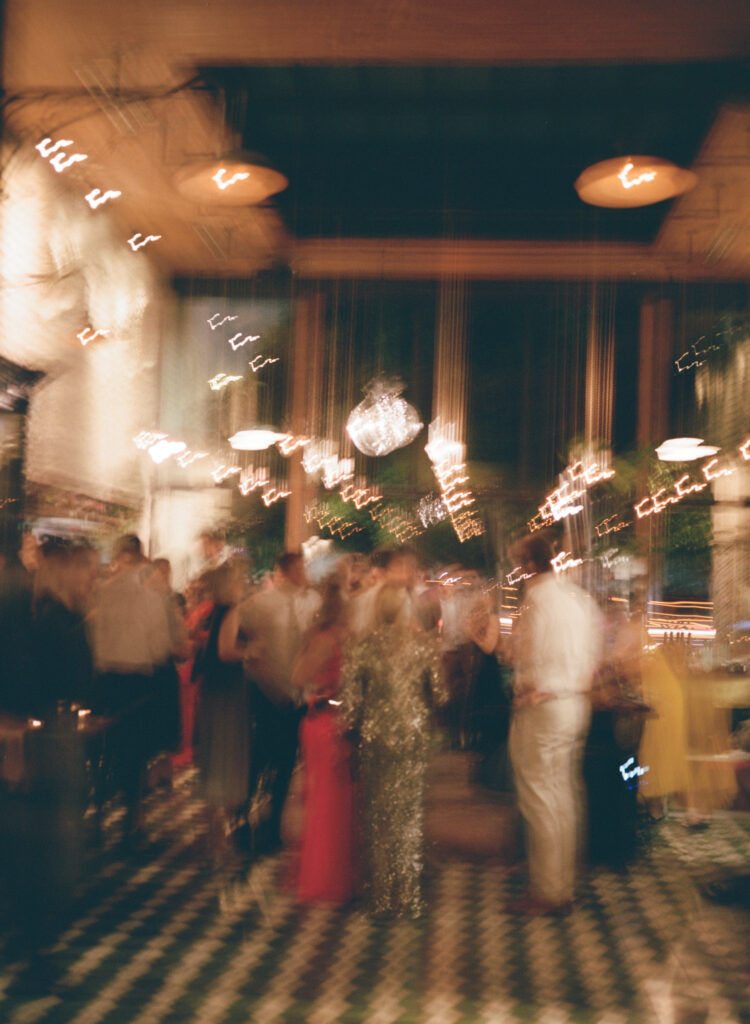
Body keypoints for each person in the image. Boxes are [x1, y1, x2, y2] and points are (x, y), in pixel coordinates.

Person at [509, 535, 602, 916]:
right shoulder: (579, 599)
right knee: (564, 795)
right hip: (576, 704)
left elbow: (529, 655)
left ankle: (547, 892)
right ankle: (561, 883)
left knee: (541, 799)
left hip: (543, 705)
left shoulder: (537, 601)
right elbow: (595, 653)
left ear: (529, 564)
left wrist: (527, 687)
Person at [340, 583, 446, 918]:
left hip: (376, 736)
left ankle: (380, 896)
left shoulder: (363, 646)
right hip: (412, 735)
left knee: (377, 815)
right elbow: (441, 694)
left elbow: (350, 706)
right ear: (406, 610)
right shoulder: (422, 646)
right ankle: (407, 897)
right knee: (408, 816)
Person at [91, 534, 171, 846]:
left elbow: (94, 638)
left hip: (105, 681)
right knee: (134, 756)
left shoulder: (102, 593)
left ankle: (97, 818)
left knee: (103, 751)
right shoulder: (150, 599)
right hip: (138, 683)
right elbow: (159, 647)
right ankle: (130, 825)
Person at [238, 551, 321, 852]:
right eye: (298, 568)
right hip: (266, 689)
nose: (303, 573)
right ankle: (243, 814)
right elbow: (239, 628)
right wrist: (252, 651)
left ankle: (273, 825)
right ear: (285, 571)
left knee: (286, 761)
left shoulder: (313, 602)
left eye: (304, 568)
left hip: (296, 691)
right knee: (259, 756)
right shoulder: (263, 602)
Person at [287, 580, 358, 903]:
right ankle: (325, 878)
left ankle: (329, 874)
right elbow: (299, 677)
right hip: (327, 724)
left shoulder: (331, 639)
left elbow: (297, 677)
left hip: (330, 721)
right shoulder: (333, 640)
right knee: (329, 802)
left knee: (331, 802)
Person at [196, 563, 250, 862]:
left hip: (215, 691)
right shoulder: (231, 612)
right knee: (224, 759)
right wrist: (251, 651)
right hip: (228, 693)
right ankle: (218, 840)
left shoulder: (214, 612)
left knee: (215, 757)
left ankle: (213, 835)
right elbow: (225, 651)